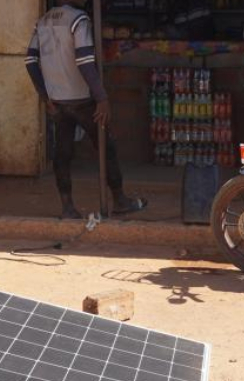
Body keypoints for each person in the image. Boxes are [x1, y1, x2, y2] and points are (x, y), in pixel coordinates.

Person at [25, 0, 147, 219]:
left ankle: (67, 207)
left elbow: (30, 60)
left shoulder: (42, 22)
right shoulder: (78, 19)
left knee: (62, 153)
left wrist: (44, 95)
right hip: (81, 98)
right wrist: (102, 97)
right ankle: (119, 200)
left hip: (57, 100)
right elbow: (84, 61)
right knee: (105, 146)